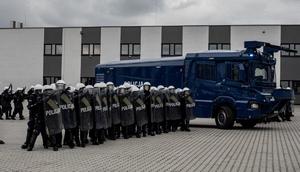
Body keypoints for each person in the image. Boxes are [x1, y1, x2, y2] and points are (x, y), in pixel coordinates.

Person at [27, 84, 49, 151]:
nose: (39, 92)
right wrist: (37, 103)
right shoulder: (32, 96)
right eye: (38, 91)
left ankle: (46, 144)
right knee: (34, 131)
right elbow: (29, 107)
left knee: (44, 132)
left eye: (40, 90)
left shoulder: (43, 96)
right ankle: (29, 145)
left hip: (43, 116)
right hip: (35, 116)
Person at [42, 85, 63, 151]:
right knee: (56, 130)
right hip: (54, 115)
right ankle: (57, 144)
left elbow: (54, 105)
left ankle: (55, 145)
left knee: (52, 130)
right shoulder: (53, 96)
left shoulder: (49, 97)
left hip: (52, 115)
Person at [56, 80, 76, 149]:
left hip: (66, 113)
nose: (60, 87)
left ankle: (69, 142)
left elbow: (71, 105)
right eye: (59, 86)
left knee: (68, 128)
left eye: (62, 86)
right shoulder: (55, 94)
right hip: (58, 114)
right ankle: (58, 143)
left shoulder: (67, 94)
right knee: (59, 129)